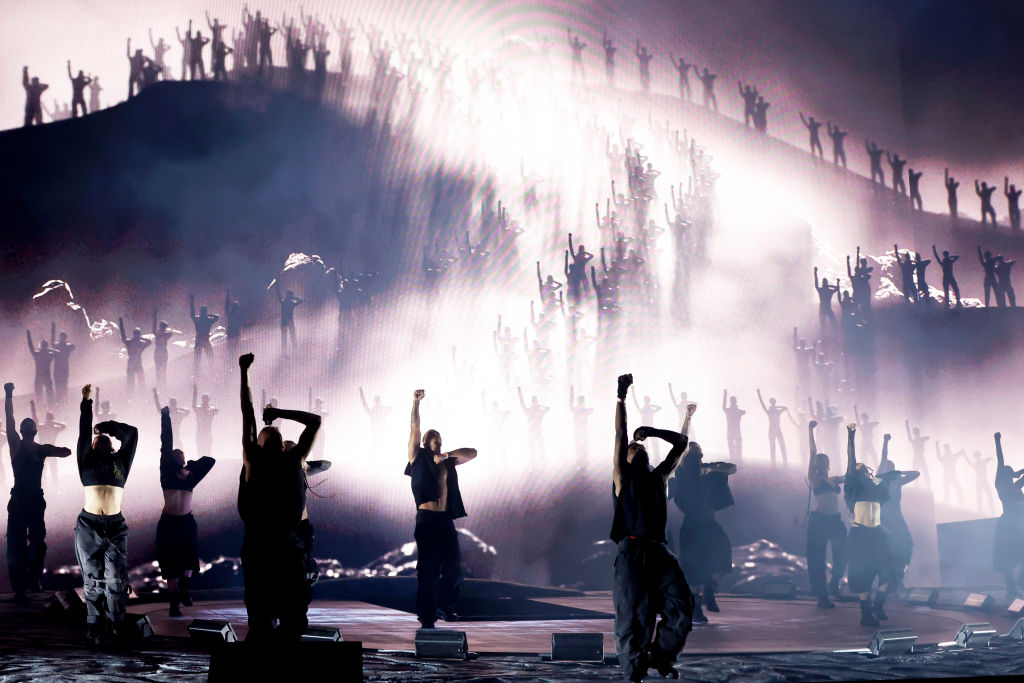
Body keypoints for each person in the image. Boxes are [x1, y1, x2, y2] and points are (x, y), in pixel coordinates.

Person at [611, 373, 694, 681]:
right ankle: (634, 674)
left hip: (659, 551)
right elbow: (620, 434)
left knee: (682, 608)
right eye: (633, 445)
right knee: (632, 619)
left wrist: (654, 430)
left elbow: (682, 443)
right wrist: (621, 396)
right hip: (632, 551)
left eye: (638, 444)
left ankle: (660, 656)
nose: (636, 444)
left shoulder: (659, 475)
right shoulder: (622, 476)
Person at [237, 353, 321, 642]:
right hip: (262, 546)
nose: (270, 430)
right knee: (261, 619)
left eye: (273, 429)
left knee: (293, 619)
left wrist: (278, 412)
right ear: (258, 442)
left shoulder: (293, 457)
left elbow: (315, 421)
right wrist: (244, 372)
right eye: (265, 430)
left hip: (282, 545)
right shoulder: (254, 459)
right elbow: (247, 412)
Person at [406, 388, 477, 629]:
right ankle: (427, 615)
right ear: (427, 441)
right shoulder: (418, 456)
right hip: (426, 519)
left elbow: (472, 453)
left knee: (453, 566)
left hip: (445, 520)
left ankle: (445, 606)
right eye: (434, 437)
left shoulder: (447, 460)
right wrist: (416, 404)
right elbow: (414, 428)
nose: (438, 440)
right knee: (428, 569)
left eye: (440, 438)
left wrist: (445, 454)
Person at [75, 383, 138, 645]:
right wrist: (86, 402)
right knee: (92, 578)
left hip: (114, 526)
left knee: (115, 577)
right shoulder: (86, 460)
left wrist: (107, 426)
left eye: (103, 439)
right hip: (89, 525)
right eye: (95, 439)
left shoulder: (121, 461)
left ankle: (116, 624)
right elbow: (82, 431)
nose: (98, 440)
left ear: (111, 444)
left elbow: (132, 433)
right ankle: (94, 626)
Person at [5, 383, 71, 600]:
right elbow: (65, 452)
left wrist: (8, 395)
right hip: (34, 500)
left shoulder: (15, 445)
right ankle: (34, 581)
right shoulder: (41, 449)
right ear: (35, 432)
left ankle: (22, 587)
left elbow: (9, 419)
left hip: (19, 499)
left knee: (16, 542)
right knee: (36, 541)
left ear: (22, 432)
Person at [671, 432, 735, 625]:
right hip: (692, 527)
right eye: (692, 455)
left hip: (709, 525)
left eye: (698, 454)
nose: (696, 457)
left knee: (723, 557)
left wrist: (711, 467)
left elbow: (731, 468)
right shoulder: (682, 475)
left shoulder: (707, 472)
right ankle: (696, 608)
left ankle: (710, 589)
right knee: (693, 570)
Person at [158, 404, 215, 616]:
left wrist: (189, 467)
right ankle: (173, 603)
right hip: (169, 522)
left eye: (182, 453)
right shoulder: (166, 472)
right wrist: (166, 417)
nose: (180, 453)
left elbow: (210, 461)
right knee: (171, 562)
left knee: (189, 558)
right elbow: (166, 442)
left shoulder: (191, 475)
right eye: (178, 453)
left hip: (186, 521)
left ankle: (184, 588)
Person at [844, 422, 893, 626]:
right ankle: (865, 613)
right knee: (861, 575)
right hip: (860, 534)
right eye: (859, 467)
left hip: (878, 533)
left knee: (889, 572)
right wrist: (851, 436)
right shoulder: (853, 483)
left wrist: (885, 445)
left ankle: (878, 604)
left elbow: (883, 470)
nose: (862, 467)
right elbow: (851, 458)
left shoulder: (876, 485)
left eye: (864, 467)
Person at [806, 420, 846, 608]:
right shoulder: (814, 478)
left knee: (843, 552)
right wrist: (810, 431)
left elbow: (848, 476)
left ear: (828, 464)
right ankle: (822, 596)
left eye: (824, 462)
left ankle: (834, 583)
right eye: (818, 463)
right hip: (819, 521)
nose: (821, 464)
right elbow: (813, 452)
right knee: (817, 558)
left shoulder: (833, 480)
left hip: (834, 521)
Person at [877, 434, 919, 591]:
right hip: (884, 517)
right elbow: (883, 458)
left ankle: (898, 578)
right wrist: (885, 441)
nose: (890, 470)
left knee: (907, 546)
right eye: (888, 468)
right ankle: (888, 582)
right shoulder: (878, 481)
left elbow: (916, 474)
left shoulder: (897, 481)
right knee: (888, 549)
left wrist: (898, 473)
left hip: (897, 517)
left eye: (892, 468)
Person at [993, 432, 1024, 598]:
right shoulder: (1001, 484)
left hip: (1019, 523)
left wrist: (1018, 473)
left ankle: (1017, 584)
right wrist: (997, 441)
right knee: (1007, 556)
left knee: (1018, 553)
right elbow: (1000, 460)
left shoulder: (1016, 485)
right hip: (1009, 524)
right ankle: (1011, 588)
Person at [756, 389, 789, 469]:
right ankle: (774, 464)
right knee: (773, 447)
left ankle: (784, 464)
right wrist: (759, 394)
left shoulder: (776, 411)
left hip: (777, 429)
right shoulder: (770, 411)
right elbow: (762, 404)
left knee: (781, 446)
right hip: (772, 430)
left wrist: (777, 406)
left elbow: (785, 408)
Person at [119, 318, 151, 392]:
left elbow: (150, 342)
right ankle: (130, 397)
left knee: (141, 381)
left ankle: (142, 396)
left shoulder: (141, 343)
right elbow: (123, 338)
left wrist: (141, 338)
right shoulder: (131, 342)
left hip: (137, 364)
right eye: (136, 334)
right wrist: (121, 325)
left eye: (138, 334)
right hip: (132, 364)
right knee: (131, 383)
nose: (137, 336)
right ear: (134, 334)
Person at [26, 329, 56, 406]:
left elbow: (31, 347)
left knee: (42, 395)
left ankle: (43, 407)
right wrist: (49, 349)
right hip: (45, 377)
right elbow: (57, 352)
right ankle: (48, 406)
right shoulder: (49, 355)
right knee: (48, 394)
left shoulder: (38, 354)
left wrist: (28, 336)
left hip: (40, 377)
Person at [190, 295, 219, 371]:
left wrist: (191, 303)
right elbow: (217, 317)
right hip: (205, 341)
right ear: (206, 311)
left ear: (200, 311)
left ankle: (196, 373)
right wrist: (209, 315)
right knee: (210, 357)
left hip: (198, 341)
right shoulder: (208, 320)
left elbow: (192, 315)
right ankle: (212, 371)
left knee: (197, 359)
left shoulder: (197, 319)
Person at [50, 323, 75, 404]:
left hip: (62, 369)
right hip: (60, 369)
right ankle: (60, 400)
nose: (62, 339)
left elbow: (52, 343)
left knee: (63, 385)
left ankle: (63, 400)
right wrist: (53, 330)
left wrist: (53, 330)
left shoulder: (62, 346)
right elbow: (52, 343)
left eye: (63, 338)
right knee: (60, 385)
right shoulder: (64, 346)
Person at [192, 385, 218, 460]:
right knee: (200, 448)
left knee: (208, 448)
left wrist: (208, 408)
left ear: (208, 400)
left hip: (207, 432)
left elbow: (217, 410)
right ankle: (201, 463)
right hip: (200, 432)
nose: (205, 401)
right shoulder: (199, 409)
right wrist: (195, 392)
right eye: (204, 399)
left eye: (206, 399)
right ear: (202, 400)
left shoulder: (211, 409)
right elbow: (193, 405)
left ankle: (208, 463)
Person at [276, 284, 303, 354]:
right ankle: (295, 351)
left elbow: (278, 296)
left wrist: (277, 286)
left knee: (284, 338)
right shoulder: (291, 303)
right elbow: (301, 301)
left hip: (284, 322)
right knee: (292, 337)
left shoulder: (284, 302)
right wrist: (294, 298)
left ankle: (285, 353)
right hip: (290, 322)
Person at [152, 311, 175, 387]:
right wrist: (155, 318)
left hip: (161, 352)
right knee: (159, 369)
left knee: (162, 369)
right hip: (160, 352)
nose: (165, 328)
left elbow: (170, 333)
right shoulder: (161, 334)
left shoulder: (162, 334)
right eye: (164, 327)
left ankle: (163, 384)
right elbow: (154, 329)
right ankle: (160, 384)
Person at [721, 389, 744, 463]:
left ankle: (737, 461)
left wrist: (725, 394)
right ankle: (737, 461)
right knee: (734, 448)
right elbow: (724, 406)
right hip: (733, 432)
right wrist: (725, 395)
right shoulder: (736, 411)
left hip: (733, 432)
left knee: (735, 448)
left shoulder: (732, 411)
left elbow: (723, 406)